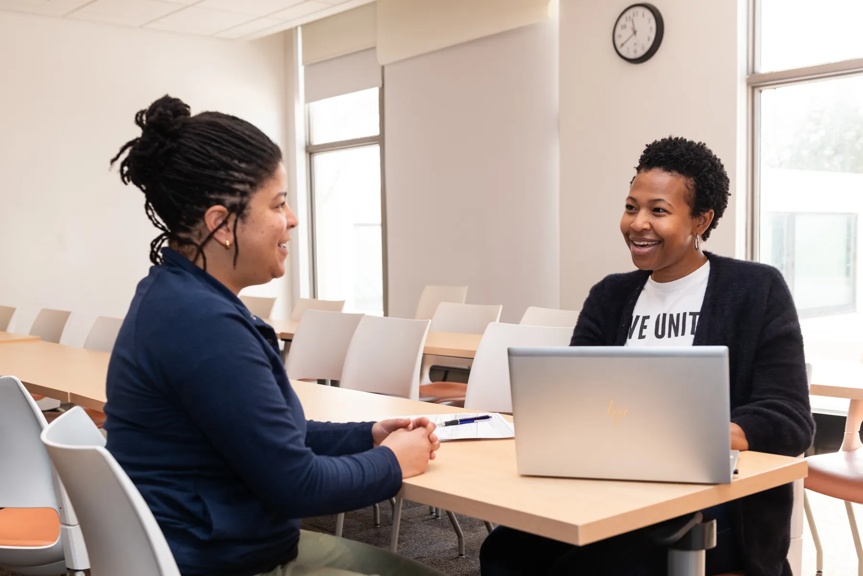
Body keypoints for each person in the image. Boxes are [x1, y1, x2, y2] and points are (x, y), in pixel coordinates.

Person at [105, 95, 443, 576]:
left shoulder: (178, 297)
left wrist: (367, 435)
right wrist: (392, 462)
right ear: (221, 224)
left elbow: (269, 436)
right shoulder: (203, 325)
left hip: (220, 548)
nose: (293, 220)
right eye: (279, 203)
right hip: (224, 563)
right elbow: (298, 486)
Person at [480, 136, 814, 576]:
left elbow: (790, 420)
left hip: (716, 504)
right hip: (610, 486)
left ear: (701, 219)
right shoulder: (610, 295)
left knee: (588, 564)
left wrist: (687, 434)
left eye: (658, 211)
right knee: (505, 551)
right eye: (631, 207)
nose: (638, 223)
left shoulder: (755, 290)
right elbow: (576, 397)